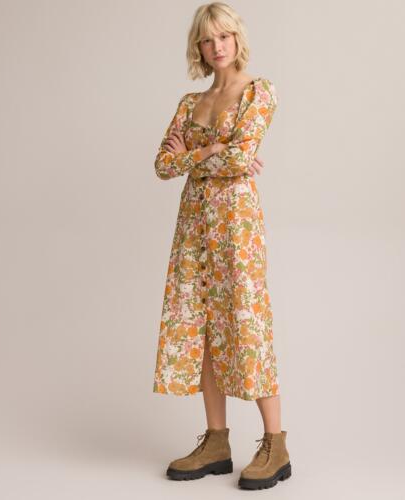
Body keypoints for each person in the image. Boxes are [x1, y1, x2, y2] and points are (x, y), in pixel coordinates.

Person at [151, 2, 292, 490]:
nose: (217, 46)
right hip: (194, 227)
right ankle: (216, 441)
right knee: (203, 327)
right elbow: (162, 165)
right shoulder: (190, 103)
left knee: (247, 323)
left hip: (236, 224)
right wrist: (213, 150)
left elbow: (241, 157)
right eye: (208, 39)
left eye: (225, 36)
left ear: (237, 38)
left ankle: (275, 444)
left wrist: (198, 154)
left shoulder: (259, 91)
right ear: (199, 46)